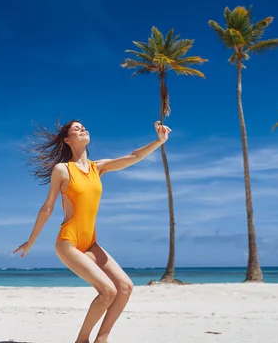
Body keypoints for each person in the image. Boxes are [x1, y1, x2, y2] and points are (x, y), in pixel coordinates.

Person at [14, 119, 171, 343]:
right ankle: (82, 340)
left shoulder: (98, 167)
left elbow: (133, 157)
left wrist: (159, 141)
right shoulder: (62, 170)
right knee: (108, 291)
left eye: (83, 127)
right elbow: (47, 208)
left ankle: (101, 339)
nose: (83, 129)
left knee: (125, 287)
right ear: (67, 140)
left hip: (90, 243)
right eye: (76, 129)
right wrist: (30, 242)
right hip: (68, 242)